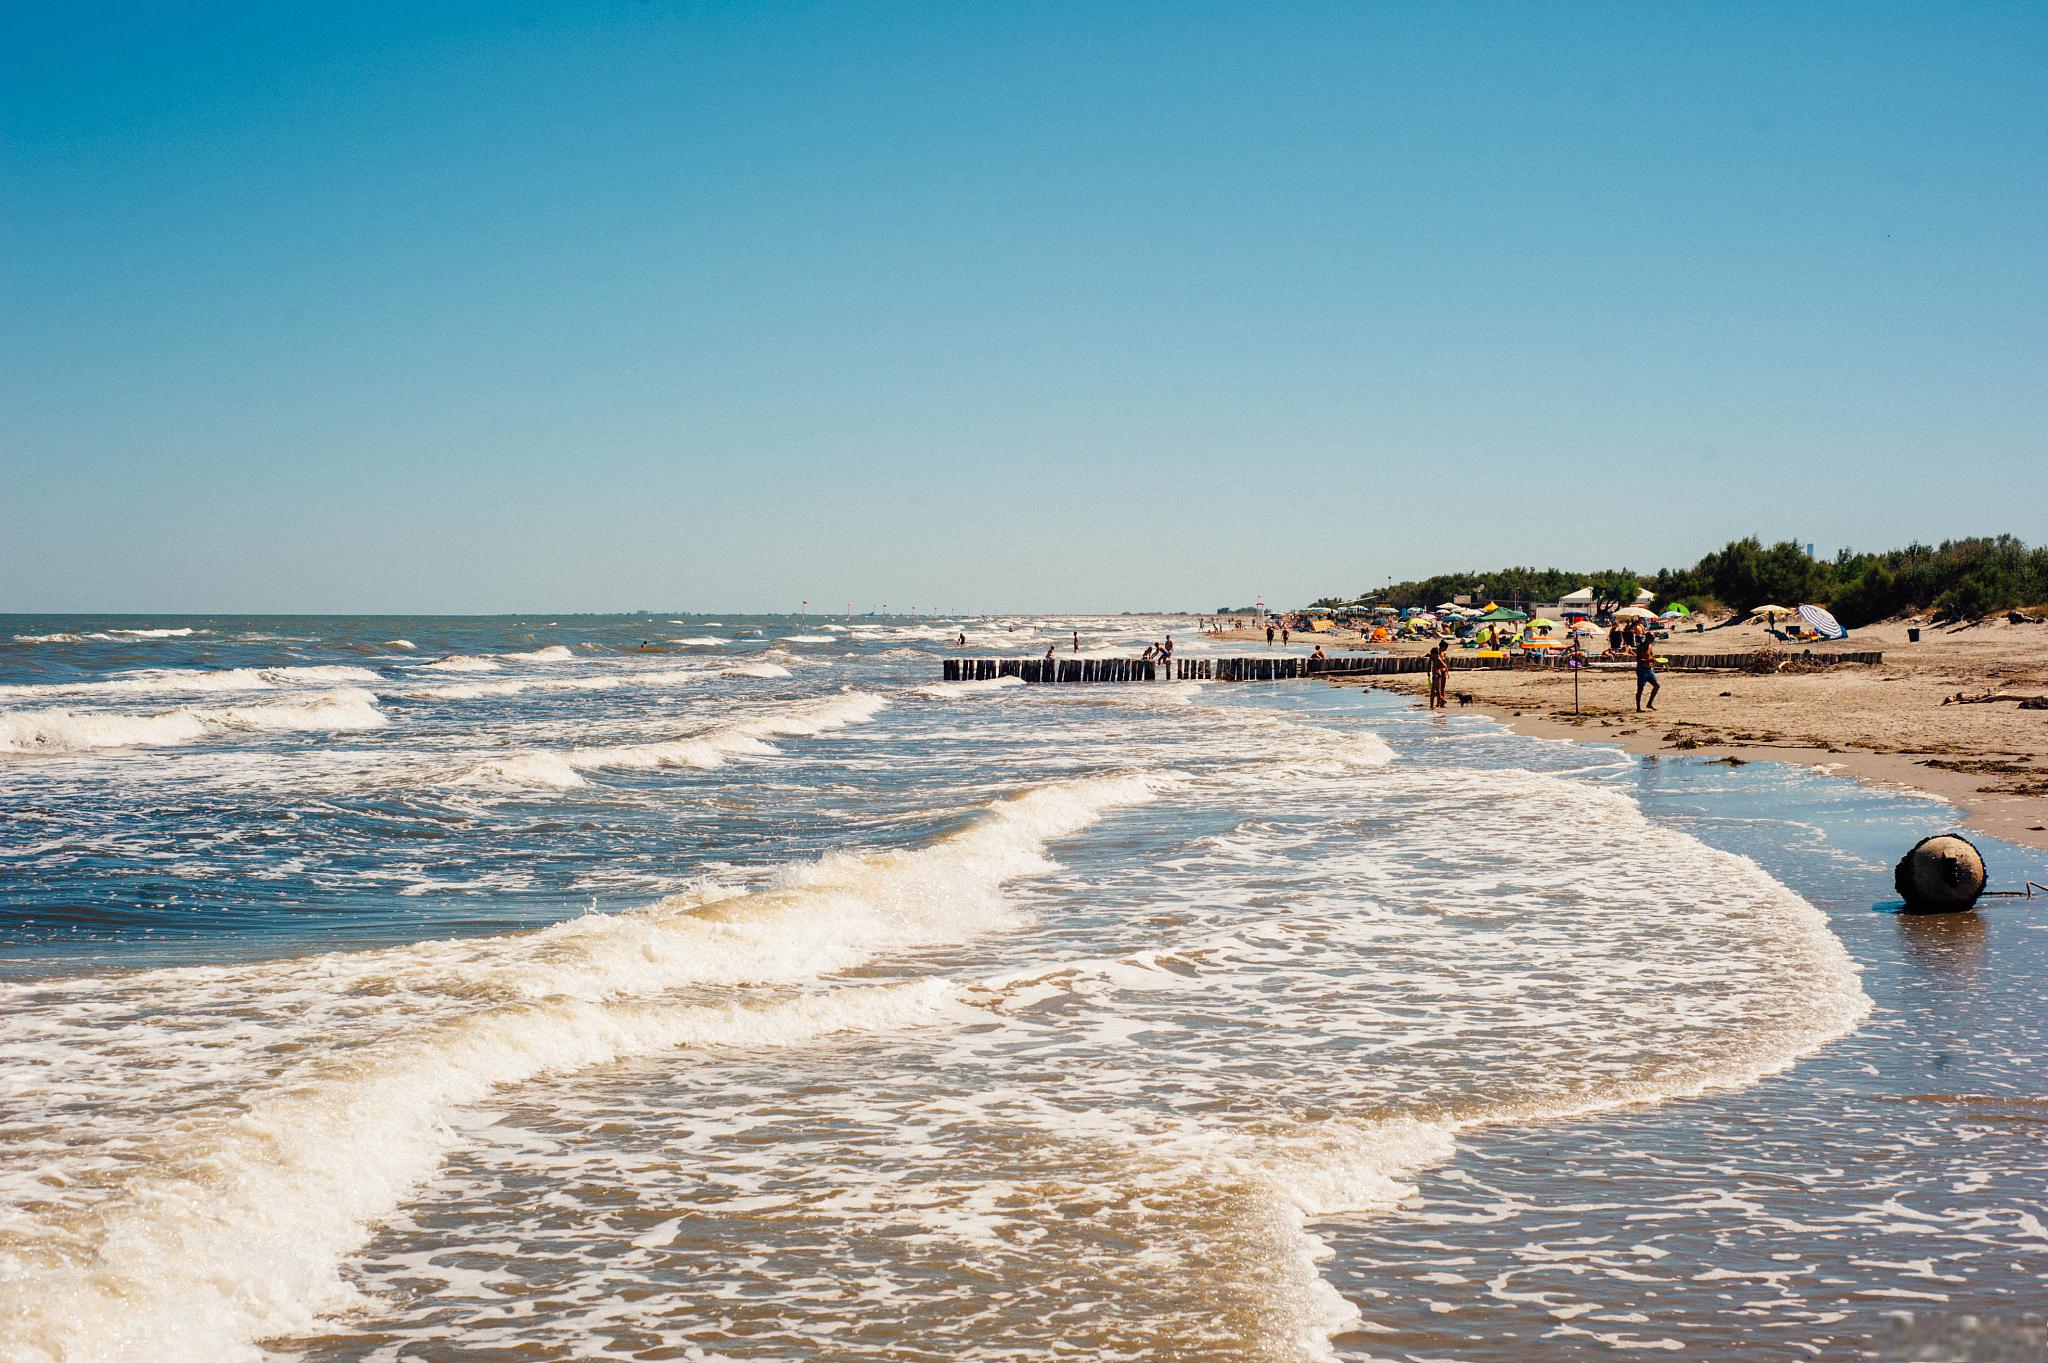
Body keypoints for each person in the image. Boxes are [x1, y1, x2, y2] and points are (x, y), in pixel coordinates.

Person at [1635, 627, 1660, 712]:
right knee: (1640, 689)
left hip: (1649, 669)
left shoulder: (1650, 645)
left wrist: (1653, 659)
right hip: (1642, 669)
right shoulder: (1641, 647)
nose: (1653, 640)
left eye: (1653, 638)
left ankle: (1649, 704)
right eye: (1652, 638)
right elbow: (1638, 660)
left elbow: (1650, 656)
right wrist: (1649, 660)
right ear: (1647, 638)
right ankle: (1638, 708)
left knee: (1656, 686)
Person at [1428, 640, 1450, 709]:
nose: (1446, 649)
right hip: (1437, 673)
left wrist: (1447, 672)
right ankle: (1441, 701)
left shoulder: (1443, 653)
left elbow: (1444, 664)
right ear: (1442, 647)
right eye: (1446, 647)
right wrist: (1428, 671)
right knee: (1438, 689)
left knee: (1442, 688)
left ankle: (1441, 703)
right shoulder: (1436, 653)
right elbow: (1430, 663)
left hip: (1442, 673)